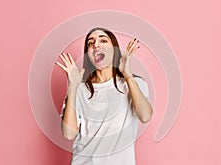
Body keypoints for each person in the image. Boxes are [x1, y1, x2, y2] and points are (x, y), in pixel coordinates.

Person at [56, 27, 153, 165]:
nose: (96, 45)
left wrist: (127, 74)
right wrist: (73, 87)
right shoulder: (79, 89)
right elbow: (68, 134)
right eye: (91, 43)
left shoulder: (134, 83)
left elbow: (145, 116)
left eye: (103, 40)